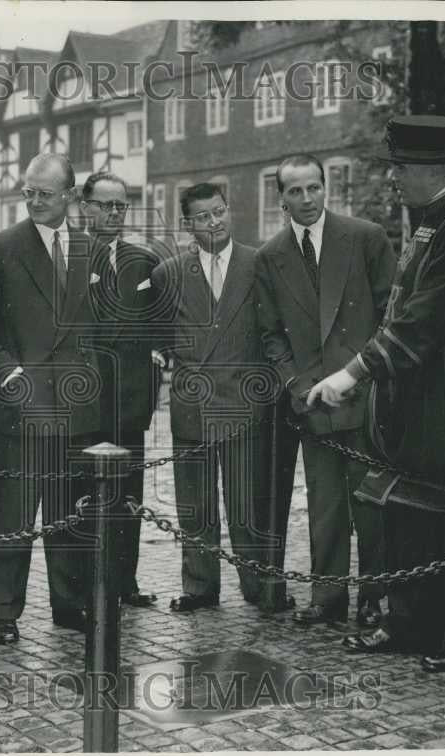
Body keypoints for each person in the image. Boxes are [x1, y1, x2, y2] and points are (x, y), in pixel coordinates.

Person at [307, 116, 445, 673]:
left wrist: (352, 373)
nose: (394, 180)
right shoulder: (438, 220)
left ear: (433, 169)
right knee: (414, 511)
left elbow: (422, 321)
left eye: (401, 169)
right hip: (431, 386)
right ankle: (413, 625)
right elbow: (406, 315)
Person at [0, 153, 104, 645]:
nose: (35, 201)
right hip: (23, 407)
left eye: (45, 193)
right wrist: (11, 374)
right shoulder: (0, 250)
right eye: (29, 192)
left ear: (69, 195)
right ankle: (5, 613)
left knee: (69, 515)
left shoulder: (93, 249)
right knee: (15, 518)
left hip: (77, 409)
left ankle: (68, 606)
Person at [255, 154, 396, 626]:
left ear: (325, 187)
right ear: (282, 200)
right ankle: (328, 598)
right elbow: (271, 333)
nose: (307, 198)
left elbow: (390, 317)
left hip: (365, 397)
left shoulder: (364, 238)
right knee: (325, 505)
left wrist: (359, 375)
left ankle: (375, 598)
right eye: (295, 191)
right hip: (312, 403)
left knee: (372, 506)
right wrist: (299, 385)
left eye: (313, 187)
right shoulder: (271, 257)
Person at [150, 182, 271, 612]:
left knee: (247, 506)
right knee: (195, 509)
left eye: (219, 211)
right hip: (193, 410)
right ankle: (200, 588)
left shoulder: (258, 265)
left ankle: (260, 588)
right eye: (203, 216)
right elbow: (161, 337)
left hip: (244, 407)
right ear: (188, 224)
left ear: (229, 210)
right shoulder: (169, 274)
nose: (214, 221)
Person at [81, 171, 163, 608]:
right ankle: (87, 588)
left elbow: (160, 323)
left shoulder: (143, 261)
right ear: (86, 206)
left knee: (129, 497)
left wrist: (158, 362)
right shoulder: (70, 257)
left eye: (121, 205)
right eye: (105, 204)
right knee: (84, 497)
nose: (114, 213)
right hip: (87, 404)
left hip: (131, 404)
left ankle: (124, 582)